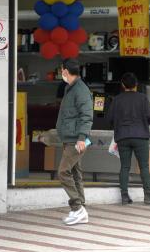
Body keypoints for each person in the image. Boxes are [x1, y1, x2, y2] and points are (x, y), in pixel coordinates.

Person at [107, 73, 150, 205]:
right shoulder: (143, 98)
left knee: (124, 166)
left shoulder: (116, 100)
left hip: (123, 136)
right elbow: (149, 118)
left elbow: (110, 119)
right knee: (144, 167)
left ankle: (124, 196)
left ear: (123, 85)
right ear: (136, 85)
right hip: (140, 136)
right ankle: (148, 196)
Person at [56, 58, 93, 225]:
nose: (60, 73)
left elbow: (87, 116)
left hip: (76, 140)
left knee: (63, 172)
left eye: (61, 70)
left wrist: (81, 138)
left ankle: (77, 208)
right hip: (70, 138)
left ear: (65, 71)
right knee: (75, 173)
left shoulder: (80, 90)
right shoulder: (70, 88)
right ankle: (80, 210)